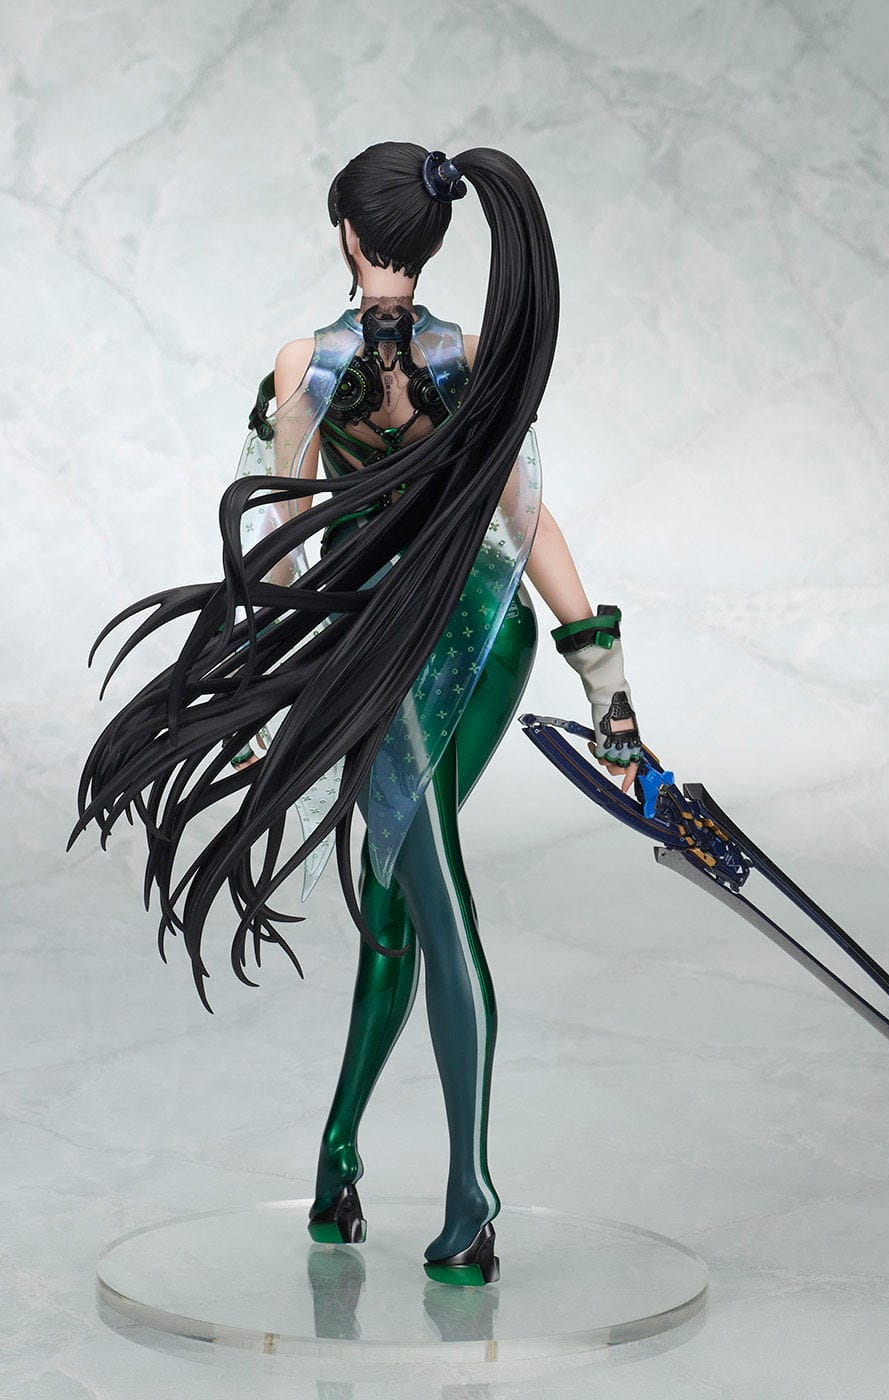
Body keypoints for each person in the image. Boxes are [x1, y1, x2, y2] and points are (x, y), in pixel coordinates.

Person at [72, 142, 645, 1287]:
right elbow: (528, 521)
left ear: (345, 232)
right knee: (393, 892)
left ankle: (471, 1198)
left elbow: (283, 543)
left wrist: (265, 672)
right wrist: (602, 678)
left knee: (429, 890)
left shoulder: (306, 364)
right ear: (430, 236)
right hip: (483, 635)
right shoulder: (470, 357)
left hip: (392, 646)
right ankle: (337, 1154)